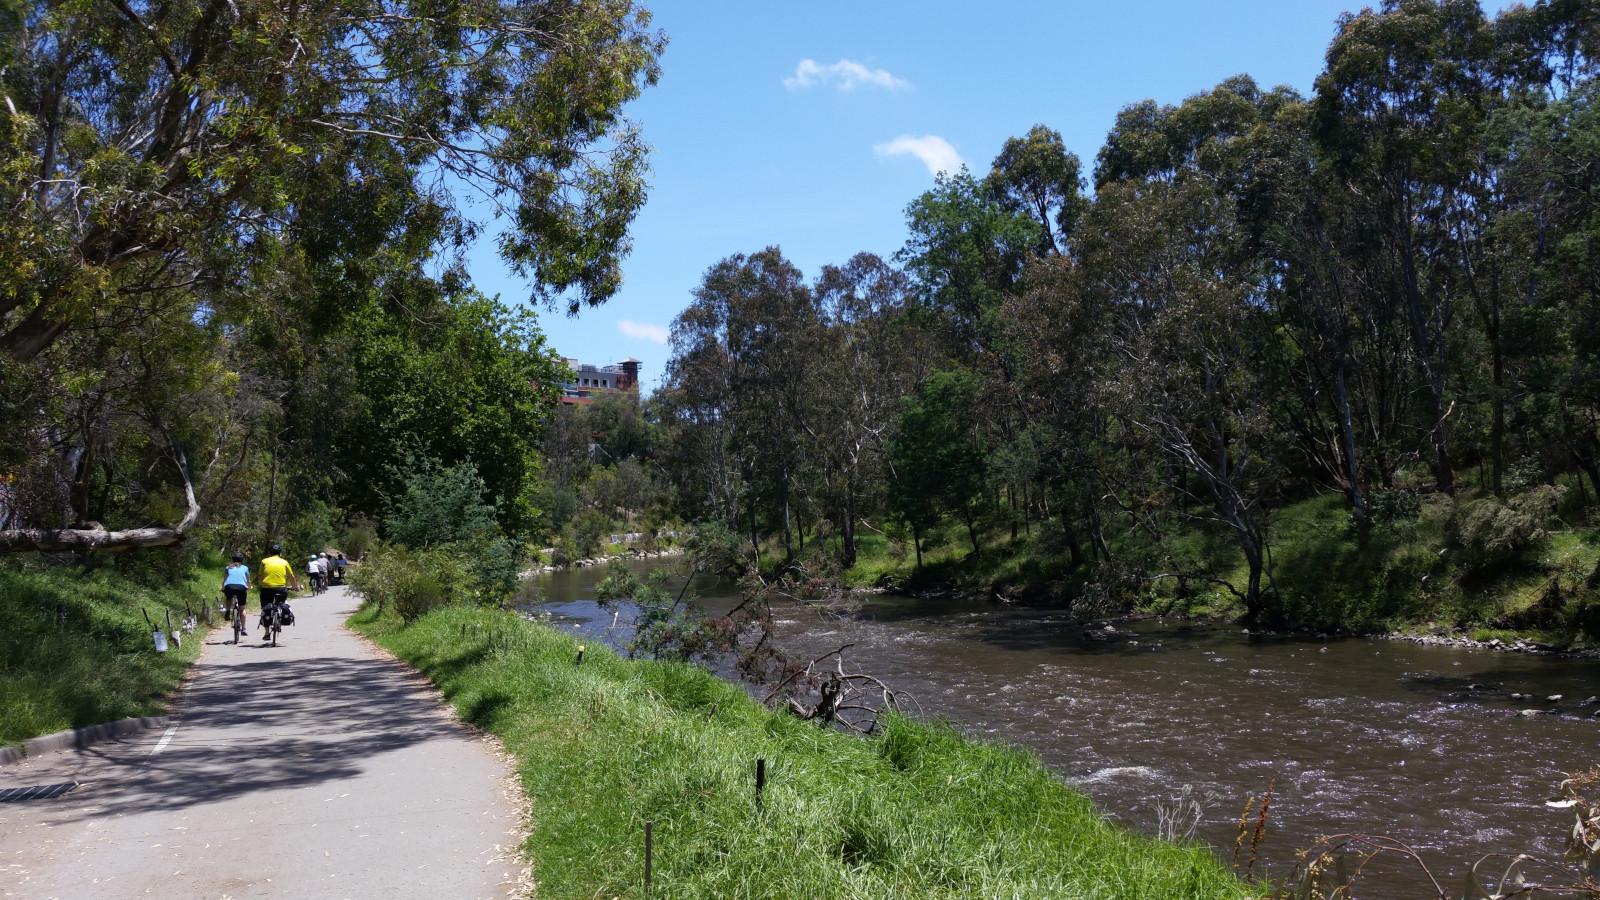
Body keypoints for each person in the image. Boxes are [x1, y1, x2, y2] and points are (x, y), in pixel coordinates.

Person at [258, 544, 300, 638]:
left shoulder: (264, 561)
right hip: (281, 588)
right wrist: (294, 586)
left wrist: (261, 585)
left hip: (266, 588)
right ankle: (280, 616)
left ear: (270, 553)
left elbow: (260, 576)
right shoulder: (284, 562)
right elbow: (291, 576)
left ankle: (267, 632)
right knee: (282, 602)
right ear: (280, 553)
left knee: (265, 608)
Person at [221, 553, 251, 634]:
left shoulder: (228, 567)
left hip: (229, 586)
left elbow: (225, 579)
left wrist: (223, 587)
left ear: (233, 559)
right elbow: (248, 580)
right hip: (241, 587)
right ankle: (244, 629)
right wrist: (249, 587)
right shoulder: (245, 568)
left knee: (228, 598)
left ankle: (227, 610)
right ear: (242, 560)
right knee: (242, 609)